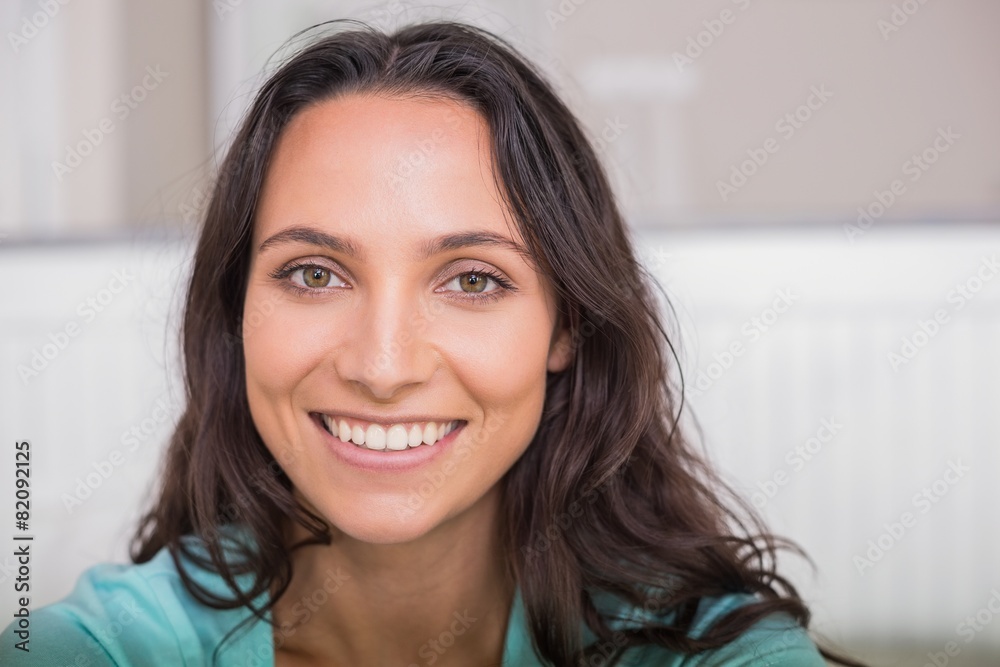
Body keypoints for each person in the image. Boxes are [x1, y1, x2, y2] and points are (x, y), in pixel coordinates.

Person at [2, 20, 865, 667]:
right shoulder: (105, 647)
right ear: (235, 309)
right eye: (313, 273)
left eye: (472, 280)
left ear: (567, 324)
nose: (383, 366)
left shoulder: (708, 651)